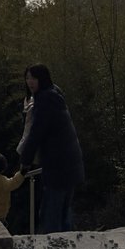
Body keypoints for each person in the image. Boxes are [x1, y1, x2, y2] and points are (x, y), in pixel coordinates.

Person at [19, 64, 84, 234]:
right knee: (63, 211)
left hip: (58, 165)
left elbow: (36, 134)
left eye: (33, 78)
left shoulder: (46, 100)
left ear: (42, 78)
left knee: (51, 214)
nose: (30, 82)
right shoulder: (54, 95)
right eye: (27, 78)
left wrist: (25, 162)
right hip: (68, 162)